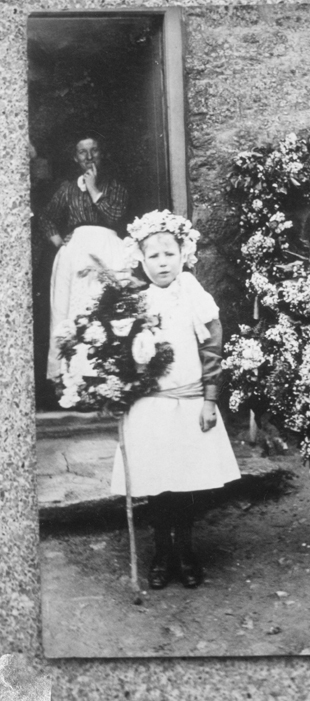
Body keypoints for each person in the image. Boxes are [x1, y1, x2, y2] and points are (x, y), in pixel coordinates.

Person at [111, 209, 241, 589]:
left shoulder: (194, 296)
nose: (162, 262)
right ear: (141, 259)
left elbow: (212, 350)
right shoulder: (134, 301)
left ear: (183, 254)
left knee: (186, 483)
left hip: (188, 400)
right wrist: (118, 389)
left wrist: (209, 400)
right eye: (153, 255)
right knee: (158, 483)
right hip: (150, 405)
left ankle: (185, 550)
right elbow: (120, 355)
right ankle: (161, 551)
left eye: (169, 253)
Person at [41, 132, 129, 381]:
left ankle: (105, 380)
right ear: (75, 157)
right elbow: (46, 217)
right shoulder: (67, 189)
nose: (89, 157)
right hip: (75, 254)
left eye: (95, 151)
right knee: (70, 312)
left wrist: (93, 189)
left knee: (104, 310)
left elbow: (114, 217)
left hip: (108, 251)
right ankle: (71, 380)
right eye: (82, 152)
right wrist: (58, 240)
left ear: (103, 154)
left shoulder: (116, 187)